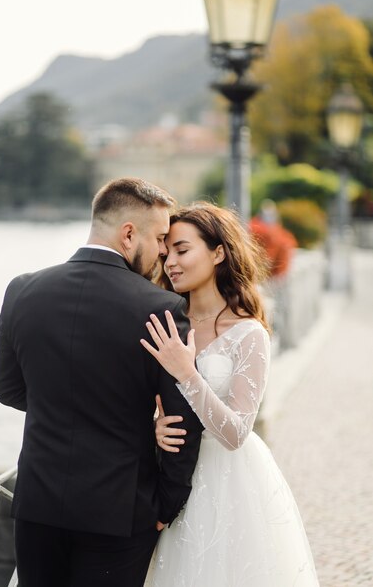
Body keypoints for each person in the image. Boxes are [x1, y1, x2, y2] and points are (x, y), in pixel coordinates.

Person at [0, 178, 203, 587]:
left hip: (38, 505)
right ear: (129, 234)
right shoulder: (163, 307)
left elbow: (8, 390)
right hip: (120, 513)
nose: (163, 250)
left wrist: (62, 406)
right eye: (160, 237)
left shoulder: (21, 290)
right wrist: (167, 504)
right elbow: (181, 423)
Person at [141, 202, 319, 587]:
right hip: (172, 481)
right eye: (166, 251)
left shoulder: (248, 333)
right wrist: (154, 426)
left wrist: (187, 372)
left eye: (183, 250)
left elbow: (236, 432)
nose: (170, 262)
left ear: (218, 252)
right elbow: (146, 400)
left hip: (230, 484)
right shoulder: (169, 324)